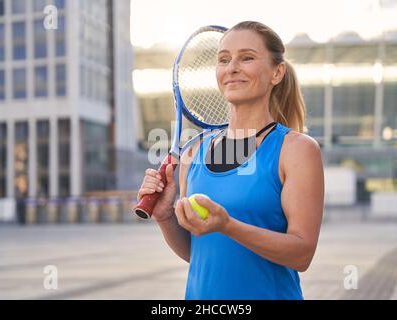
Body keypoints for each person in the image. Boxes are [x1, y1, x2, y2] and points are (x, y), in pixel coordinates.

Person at [137, 21, 324, 300]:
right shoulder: (195, 152)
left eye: (246, 58)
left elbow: (302, 254)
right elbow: (201, 254)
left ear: (277, 73)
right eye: (223, 59)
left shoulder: (295, 149)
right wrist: (165, 217)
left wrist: (229, 226)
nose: (231, 67)